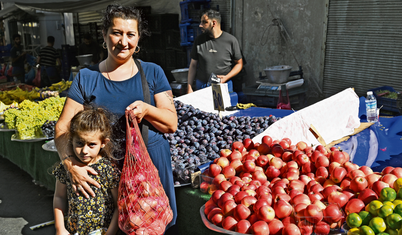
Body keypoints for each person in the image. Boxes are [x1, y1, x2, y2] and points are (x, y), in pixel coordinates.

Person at [54, 4, 178, 232]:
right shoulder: (87, 77)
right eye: (117, 33)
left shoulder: (152, 72)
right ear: (104, 35)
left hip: (149, 167)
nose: (123, 42)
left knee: (154, 227)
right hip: (107, 170)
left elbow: (171, 123)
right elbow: (62, 127)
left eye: (131, 34)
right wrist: (71, 164)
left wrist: (147, 110)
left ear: (138, 38)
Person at [53, 106, 120, 235]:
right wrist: (60, 228)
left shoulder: (108, 169)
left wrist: (111, 232)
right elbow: (59, 197)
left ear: (103, 143)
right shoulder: (66, 168)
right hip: (75, 231)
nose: (84, 150)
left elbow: (119, 205)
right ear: (71, 140)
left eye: (91, 145)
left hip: (102, 231)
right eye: (79, 143)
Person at [187, 9, 244, 93]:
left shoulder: (231, 40)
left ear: (214, 23)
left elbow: (239, 63)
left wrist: (226, 77)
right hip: (202, 86)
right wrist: (189, 87)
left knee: (224, 107)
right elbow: (193, 65)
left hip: (224, 86)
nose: (200, 25)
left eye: (204, 22)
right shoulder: (199, 40)